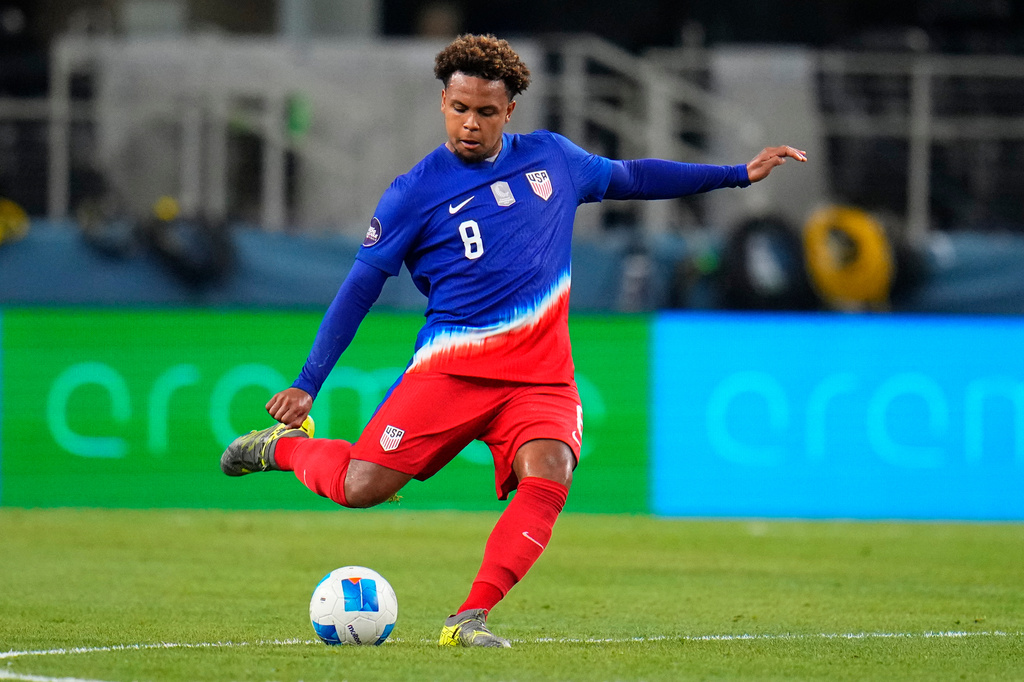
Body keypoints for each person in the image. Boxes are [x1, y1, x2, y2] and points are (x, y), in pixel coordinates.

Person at [220, 33, 806, 648]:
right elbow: (358, 290)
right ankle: (281, 450)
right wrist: (308, 383)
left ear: (510, 111)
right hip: (451, 372)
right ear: (443, 103)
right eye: (459, 108)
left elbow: (633, 176)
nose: (470, 123)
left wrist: (737, 174)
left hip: (540, 377)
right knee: (360, 487)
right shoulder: (413, 191)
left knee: (550, 473)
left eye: (486, 111)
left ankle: (469, 617)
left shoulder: (554, 159)